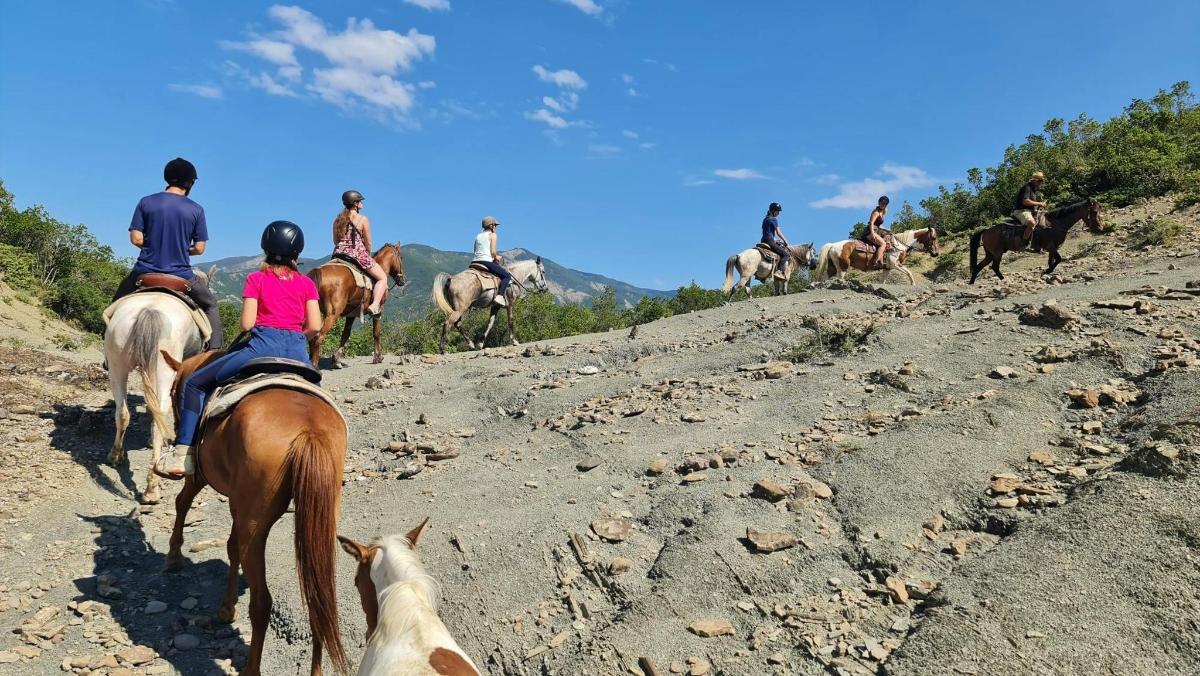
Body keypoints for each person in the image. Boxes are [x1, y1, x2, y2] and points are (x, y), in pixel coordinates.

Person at [154, 220, 321, 479]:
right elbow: (316, 326)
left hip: (260, 348)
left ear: (265, 248)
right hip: (299, 353)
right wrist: (297, 335)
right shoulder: (307, 284)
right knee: (317, 404)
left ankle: (183, 454)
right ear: (297, 253)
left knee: (195, 385)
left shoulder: (256, 279)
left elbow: (247, 324)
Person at [112, 157, 223, 348]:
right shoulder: (196, 209)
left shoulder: (146, 202)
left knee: (114, 306)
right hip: (181, 276)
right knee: (211, 305)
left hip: (144, 272)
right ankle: (214, 353)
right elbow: (199, 248)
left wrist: (154, 245)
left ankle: (107, 350)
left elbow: (136, 239)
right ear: (190, 183)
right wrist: (180, 248)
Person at [332, 190, 387, 316]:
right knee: (382, 277)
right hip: (357, 255)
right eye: (360, 201)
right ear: (355, 204)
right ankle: (375, 305)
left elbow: (335, 241)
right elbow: (368, 243)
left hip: (338, 254)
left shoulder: (337, 220)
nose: (362, 203)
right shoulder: (362, 219)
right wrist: (367, 254)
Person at [473, 216, 514, 306]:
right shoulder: (493, 235)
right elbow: (493, 252)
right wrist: (496, 257)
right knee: (507, 276)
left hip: (475, 262)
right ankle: (500, 296)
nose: (496, 227)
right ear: (491, 226)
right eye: (495, 225)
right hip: (486, 261)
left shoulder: (478, 236)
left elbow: (475, 250)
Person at [1013, 171, 1048, 249]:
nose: (1041, 183)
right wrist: (1040, 204)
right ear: (1034, 180)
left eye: (1042, 181)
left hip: (1029, 211)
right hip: (1021, 211)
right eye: (1040, 181)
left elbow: (1031, 204)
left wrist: (1038, 209)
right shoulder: (1027, 188)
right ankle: (1023, 244)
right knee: (1032, 223)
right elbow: (1025, 201)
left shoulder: (1033, 190)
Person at [760, 202, 790, 280]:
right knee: (786, 255)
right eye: (777, 211)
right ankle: (779, 272)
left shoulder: (765, 219)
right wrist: (785, 240)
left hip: (764, 240)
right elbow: (778, 232)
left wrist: (776, 240)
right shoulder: (773, 219)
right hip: (770, 241)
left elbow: (767, 233)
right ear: (773, 211)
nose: (778, 213)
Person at [864, 196, 890, 269]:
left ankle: (881, 260)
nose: (882, 205)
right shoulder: (876, 212)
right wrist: (872, 234)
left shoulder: (883, 211)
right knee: (883, 244)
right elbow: (871, 223)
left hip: (875, 230)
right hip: (869, 231)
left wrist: (887, 230)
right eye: (881, 203)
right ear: (879, 203)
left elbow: (878, 225)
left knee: (887, 240)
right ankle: (876, 262)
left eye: (884, 204)